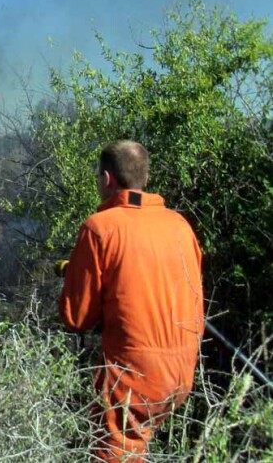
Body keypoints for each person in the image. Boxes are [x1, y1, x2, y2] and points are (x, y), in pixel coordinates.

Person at [57, 140, 204, 461]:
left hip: (134, 377)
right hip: (181, 374)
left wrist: (74, 277)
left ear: (107, 179)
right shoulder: (180, 226)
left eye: (98, 177)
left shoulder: (100, 228)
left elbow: (76, 317)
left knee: (115, 454)